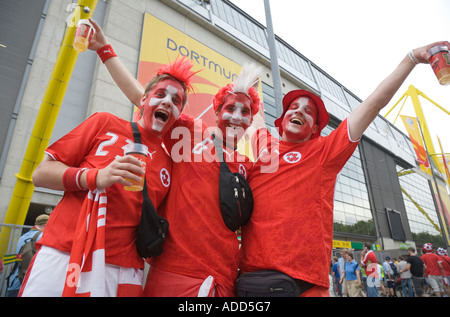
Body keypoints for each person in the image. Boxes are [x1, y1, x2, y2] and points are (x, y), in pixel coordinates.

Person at [238, 40, 450, 296]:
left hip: (304, 285)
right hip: (252, 282)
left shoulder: (324, 151)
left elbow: (372, 105)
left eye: (308, 111)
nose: (299, 111)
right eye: (293, 108)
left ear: (315, 129)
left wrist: (411, 58)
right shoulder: (265, 145)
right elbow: (255, 117)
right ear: (281, 122)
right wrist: (248, 86)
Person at [87, 20, 262, 296]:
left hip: (222, 277)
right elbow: (140, 97)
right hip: (172, 270)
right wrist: (104, 50)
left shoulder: (251, 166)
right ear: (217, 112)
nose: (237, 117)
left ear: (252, 120)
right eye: (230, 108)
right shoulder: (189, 131)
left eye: (245, 112)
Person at [19, 51, 198, 296]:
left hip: (123, 270)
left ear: (178, 114)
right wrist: (95, 177)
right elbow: (40, 174)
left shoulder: (172, 163)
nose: (168, 101)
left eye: (176, 101)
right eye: (160, 94)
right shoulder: (105, 123)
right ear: (143, 100)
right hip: (64, 252)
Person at [5, 214, 49, 297]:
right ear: (45, 225)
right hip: (27, 287)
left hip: (14, 283)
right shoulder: (42, 237)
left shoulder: (22, 237)